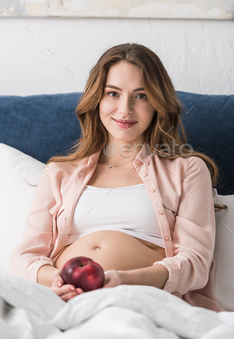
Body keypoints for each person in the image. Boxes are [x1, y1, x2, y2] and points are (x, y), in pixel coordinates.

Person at [10, 43, 227, 310]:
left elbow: (195, 262)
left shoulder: (188, 170)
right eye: (113, 93)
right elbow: (25, 257)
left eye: (141, 96)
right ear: (97, 100)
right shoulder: (58, 173)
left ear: (157, 103)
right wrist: (54, 278)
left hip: (141, 303)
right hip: (61, 302)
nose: (125, 110)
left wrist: (124, 281)